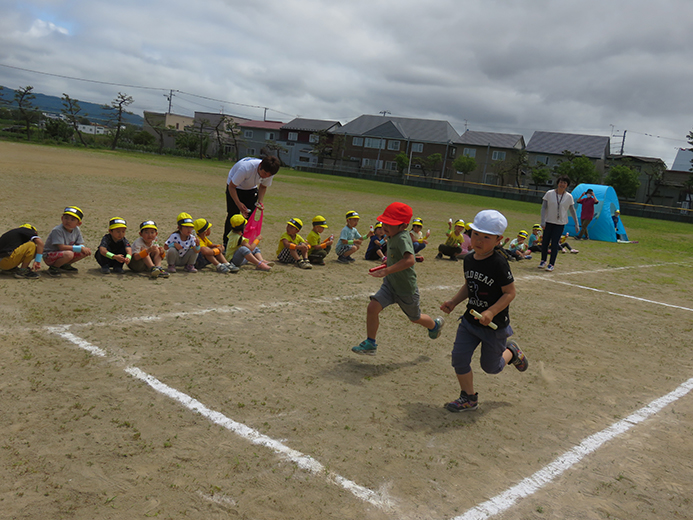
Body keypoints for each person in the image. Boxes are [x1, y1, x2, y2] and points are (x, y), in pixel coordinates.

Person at [440, 209, 528, 412]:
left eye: (486, 237)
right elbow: (470, 285)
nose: (478, 240)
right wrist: (454, 302)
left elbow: (509, 293)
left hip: (493, 326)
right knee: (459, 359)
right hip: (470, 321)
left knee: (491, 367)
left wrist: (491, 311)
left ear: (498, 240)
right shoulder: (469, 259)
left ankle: (512, 352)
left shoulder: (499, 263)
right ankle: (469, 398)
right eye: (475, 234)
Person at [352, 202, 444, 356]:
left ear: (403, 226)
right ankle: (370, 343)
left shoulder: (402, 238)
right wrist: (388, 261)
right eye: (385, 222)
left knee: (415, 318)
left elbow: (410, 260)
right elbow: (397, 256)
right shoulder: (392, 236)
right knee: (372, 308)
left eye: (391, 224)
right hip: (390, 284)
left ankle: (434, 325)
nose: (385, 226)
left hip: (405, 288)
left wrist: (387, 270)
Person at [223, 156, 281, 248]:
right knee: (233, 215)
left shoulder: (270, 171)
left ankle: (245, 243)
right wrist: (239, 204)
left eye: (268, 175)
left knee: (249, 216)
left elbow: (263, 186)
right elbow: (232, 186)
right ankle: (227, 243)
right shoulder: (246, 168)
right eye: (264, 173)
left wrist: (260, 202)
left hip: (251, 189)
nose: (265, 176)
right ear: (260, 165)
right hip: (235, 187)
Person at [539, 175, 578, 272]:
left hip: (560, 223)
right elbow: (544, 207)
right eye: (561, 182)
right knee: (545, 243)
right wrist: (543, 221)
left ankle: (551, 264)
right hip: (549, 222)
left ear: (567, 185)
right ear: (557, 183)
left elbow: (572, 210)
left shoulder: (569, 196)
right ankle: (543, 260)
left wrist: (576, 224)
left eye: (564, 183)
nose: (562, 184)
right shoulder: (549, 193)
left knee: (555, 244)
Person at [43, 206, 92, 277]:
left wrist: (83, 248)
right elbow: (61, 247)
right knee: (69, 254)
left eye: (72, 220)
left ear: (79, 223)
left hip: (64, 253)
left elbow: (80, 243)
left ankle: (64, 265)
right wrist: (80, 248)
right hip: (49, 256)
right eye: (66, 218)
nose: (68, 221)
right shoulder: (57, 230)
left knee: (85, 252)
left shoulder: (76, 229)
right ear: (62, 218)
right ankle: (53, 268)